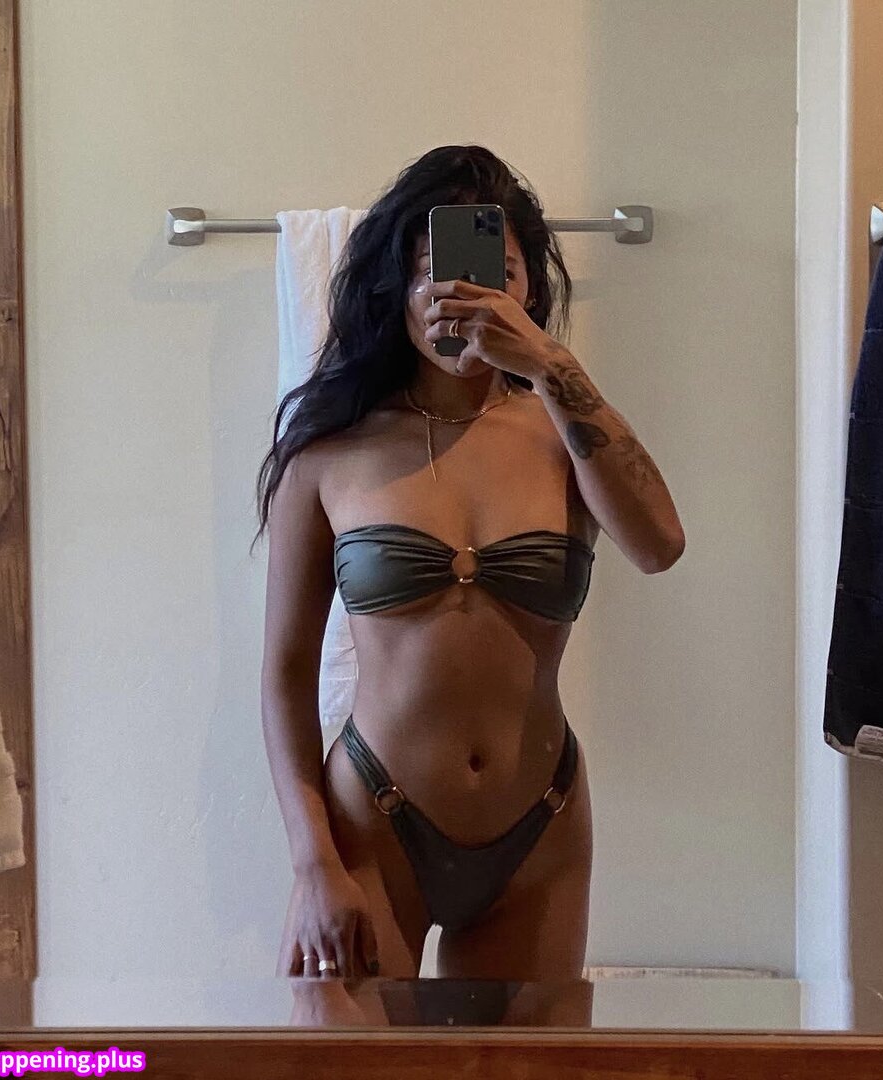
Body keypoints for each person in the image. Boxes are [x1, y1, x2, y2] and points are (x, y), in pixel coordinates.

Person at [256, 145, 684, 989]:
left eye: (496, 271)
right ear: (394, 290)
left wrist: (554, 367)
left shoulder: (565, 439)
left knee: (523, 1063)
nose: (454, 294)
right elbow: (283, 674)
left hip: (541, 827)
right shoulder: (330, 453)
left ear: (527, 292)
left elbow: (658, 545)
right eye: (425, 272)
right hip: (372, 826)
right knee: (344, 1056)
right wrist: (313, 866)